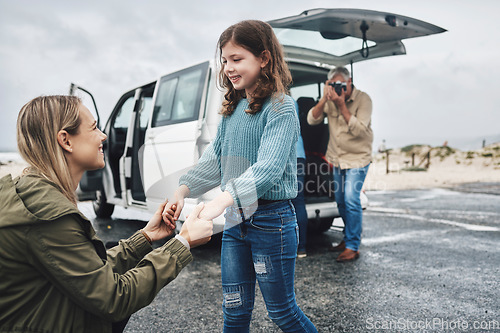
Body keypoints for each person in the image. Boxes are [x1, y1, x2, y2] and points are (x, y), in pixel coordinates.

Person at [0, 95, 213, 333]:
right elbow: (114, 298)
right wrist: (182, 243)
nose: (103, 136)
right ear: (65, 141)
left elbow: (88, 272)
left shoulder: (31, 193)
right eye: (93, 128)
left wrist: (144, 236)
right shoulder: (47, 215)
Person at [163, 20, 317, 332]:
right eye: (224, 61)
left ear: (263, 58)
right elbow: (215, 159)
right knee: (234, 313)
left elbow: (268, 168)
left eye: (237, 59)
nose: (229, 68)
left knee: (282, 313)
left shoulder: (281, 107)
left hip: (272, 222)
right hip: (236, 223)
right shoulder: (232, 110)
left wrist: (221, 200)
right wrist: (183, 189)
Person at [307, 66, 373, 262]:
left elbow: (360, 131)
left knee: (352, 199)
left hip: (358, 158)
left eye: (340, 84)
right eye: (333, 84)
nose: (337, 88)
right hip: (336, 158)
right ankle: (348, 238)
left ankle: (353, 246)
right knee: (341, 201)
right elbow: (312, 120)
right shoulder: (330, 99)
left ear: (349, 82)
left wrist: (342, 105)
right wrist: (324, 98)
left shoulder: (363, 99)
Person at [292, 99, 308, 258]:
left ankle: (288, 245)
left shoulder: (272, 101)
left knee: (283, 202)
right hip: (300, 155)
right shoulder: (292, 101)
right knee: (299, 201)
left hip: (286, 156)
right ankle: (301, 247)